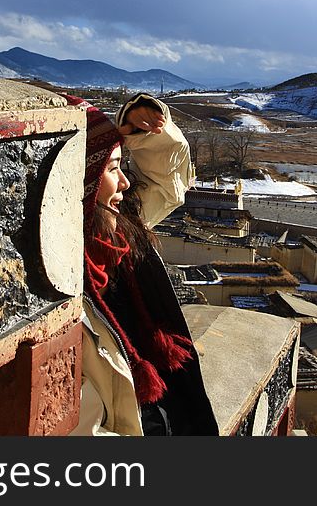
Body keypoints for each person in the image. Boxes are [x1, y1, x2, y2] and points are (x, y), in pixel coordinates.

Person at [66, 92, 218, 436]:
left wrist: (146, 129)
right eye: (114, 168)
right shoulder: (63, 271)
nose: (126, 181)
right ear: (81, 176)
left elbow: (169, 182)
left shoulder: (120, 231)